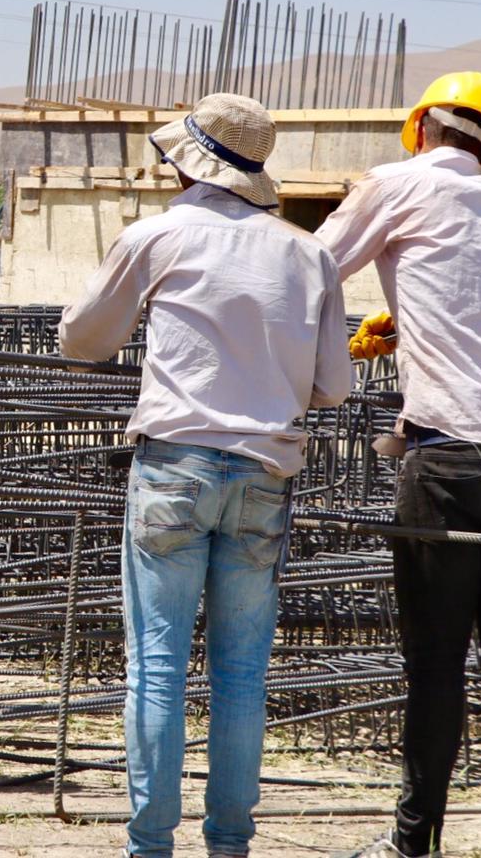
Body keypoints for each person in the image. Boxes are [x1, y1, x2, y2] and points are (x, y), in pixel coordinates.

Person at [58, 93, 352, 858]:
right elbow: (333, 388)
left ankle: (151, 847)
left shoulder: (156, 236)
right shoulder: (308, 253)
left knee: (157, 664)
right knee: (242, 675)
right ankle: (230, 845)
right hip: (263, 475)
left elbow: (83, 338)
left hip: (174, 468)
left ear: (183, 163)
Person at [321, 73, 481, 858]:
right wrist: (408, 318)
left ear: (421, 127)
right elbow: (480, 305)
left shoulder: (396, 182)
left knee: (435, 662)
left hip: (449, 456)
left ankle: (411, 842)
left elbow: (307, 270)